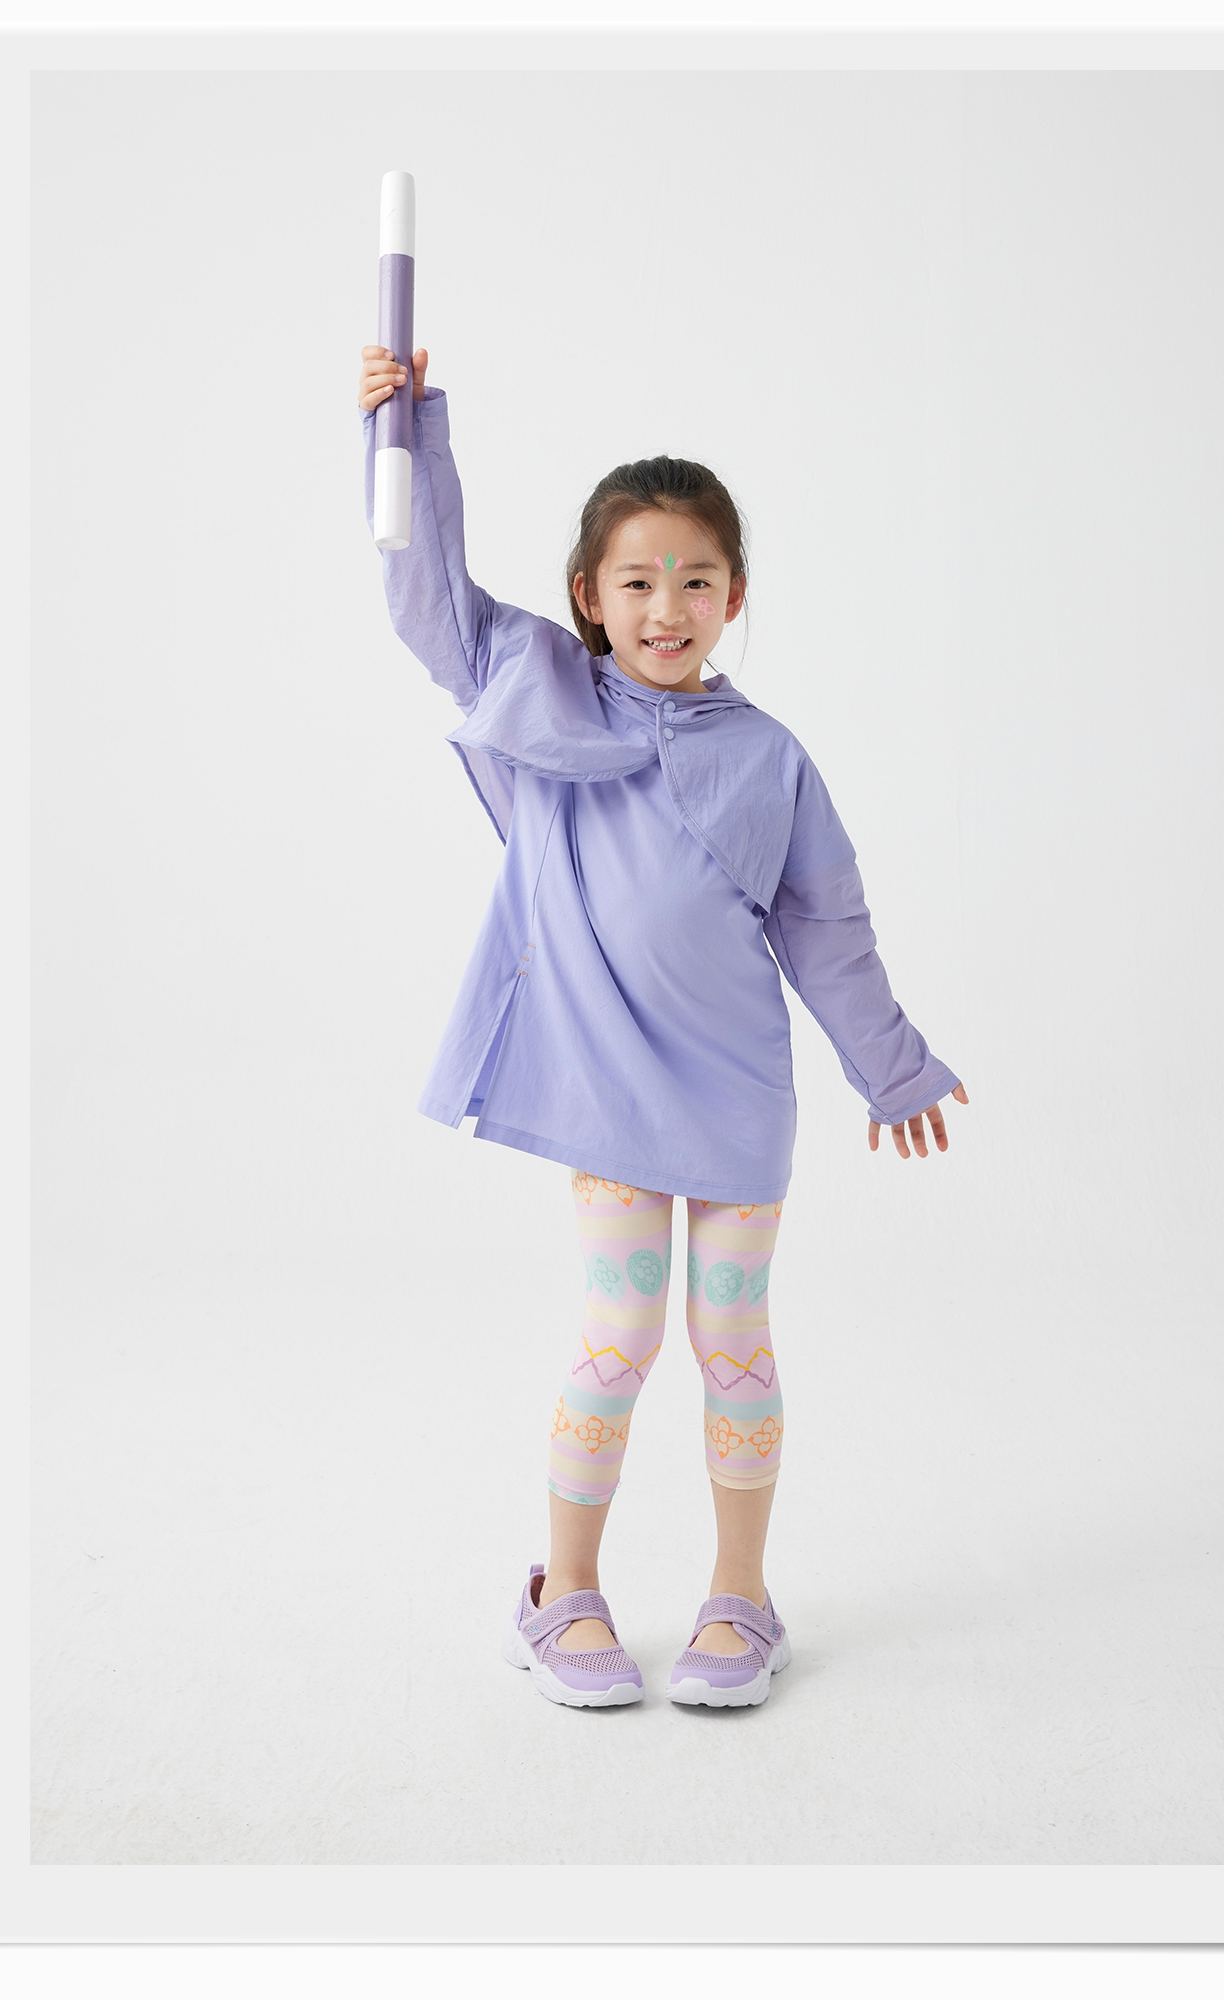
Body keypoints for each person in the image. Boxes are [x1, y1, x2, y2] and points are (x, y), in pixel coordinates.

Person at [357, 342, 968, 1711]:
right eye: (636, 581)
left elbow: (827, 930)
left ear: (733, 595)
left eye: (697, 580)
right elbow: (425, 592)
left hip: (739, 1092)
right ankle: (560, 1594)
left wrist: (894, 1068)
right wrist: (406, 429)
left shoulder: (771, 756)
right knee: (620, 1334)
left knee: (731, 1335)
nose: (667, 606)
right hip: (605, 1091)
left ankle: (741, 1598)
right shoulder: (535, 687)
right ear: (589, 596)